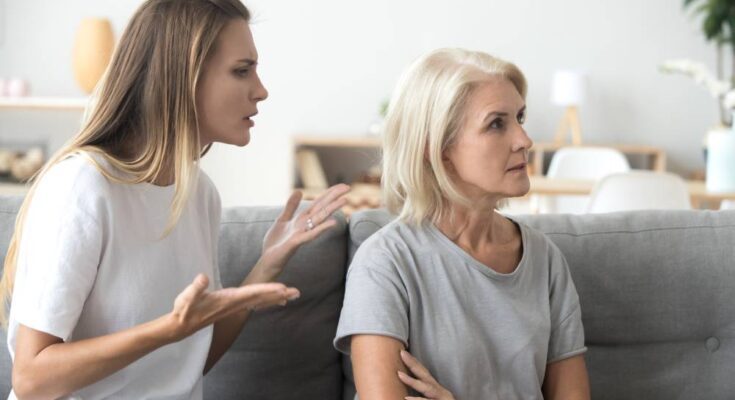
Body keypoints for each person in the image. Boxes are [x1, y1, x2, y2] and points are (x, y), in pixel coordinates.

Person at [0, 0, 349, 398]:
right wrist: (167, 329)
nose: (261, 90)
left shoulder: (199, 194)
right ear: (183, 76)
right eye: (241, 70)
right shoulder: (83, 186)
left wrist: (267, 264)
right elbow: (31, 379)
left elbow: (189, 365)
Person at [334, 48, 590, 400]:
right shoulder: (385, 263)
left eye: (520, 118)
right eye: (496, 123)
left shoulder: (545, 260)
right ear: (436, 147)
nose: (524, 140)